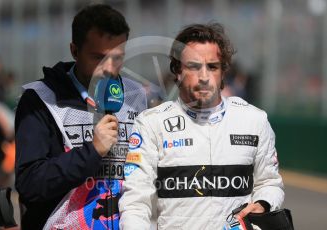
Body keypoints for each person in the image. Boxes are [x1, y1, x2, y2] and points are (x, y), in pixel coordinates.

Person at [119, 23, 284, 229]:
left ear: (223, 72)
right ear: (177, 71)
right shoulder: (151, 124)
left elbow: (269, 183)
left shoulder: (254, 120)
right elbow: (136, 203)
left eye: (212, 67)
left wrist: (263, 204)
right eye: (194, 66)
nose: (204, 77)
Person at [15, 4, 147, 230]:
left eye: (117, 58)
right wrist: (92, 151)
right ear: (75, 51)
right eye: (98, 57)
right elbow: (30, 184)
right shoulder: (40, 99)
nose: (108, 68)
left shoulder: (136, 96)